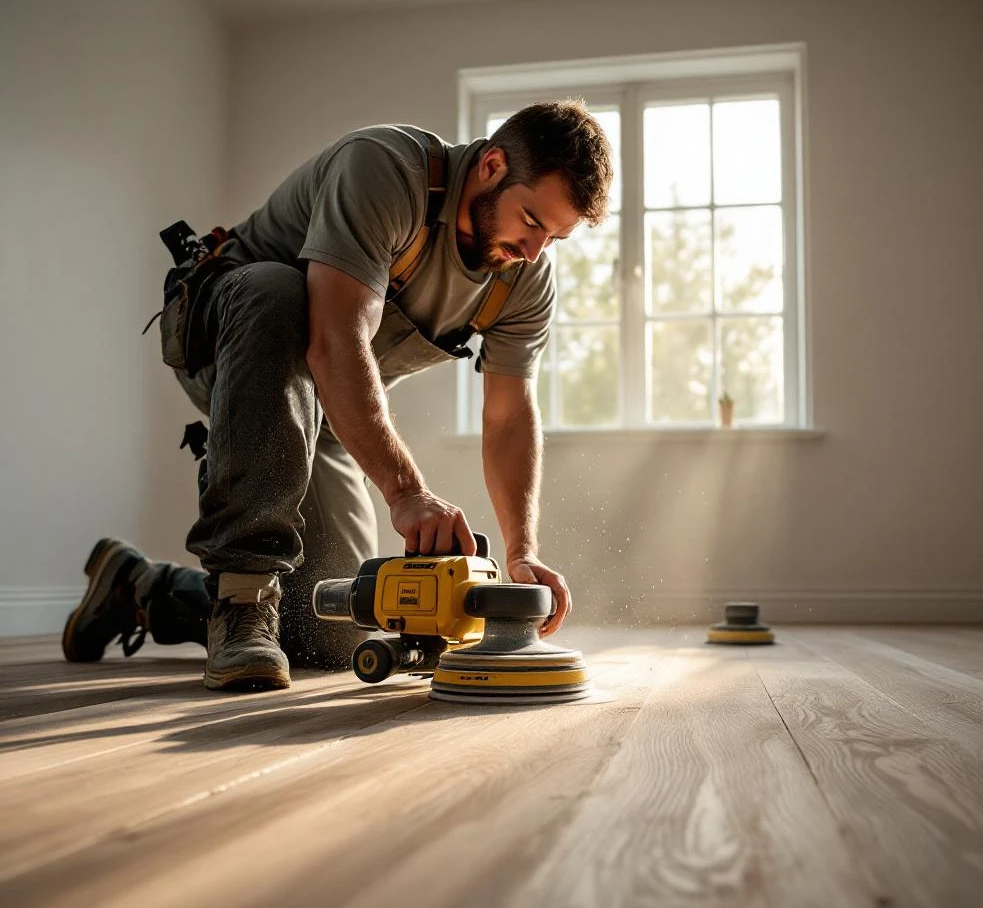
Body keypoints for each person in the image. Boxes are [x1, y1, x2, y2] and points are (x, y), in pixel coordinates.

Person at [61, 100, 614, 691]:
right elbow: (334, 341)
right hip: (229, 349)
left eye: (554, 238)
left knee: (340, 625)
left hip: (326, 410)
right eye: (531, 222)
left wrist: (521, 550)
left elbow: (507, 418)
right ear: (493, 166)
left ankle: (140, 589)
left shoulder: (524, 277)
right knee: (280, 291)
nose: (533, 252)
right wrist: (407, 492)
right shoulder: (385, 170)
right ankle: (244, 598)